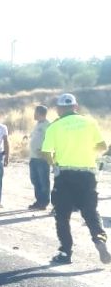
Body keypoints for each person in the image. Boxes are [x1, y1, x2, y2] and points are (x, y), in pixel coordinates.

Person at [41, 93, 109, 265]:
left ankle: (65, 252)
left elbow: (45, 152)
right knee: (90, 211)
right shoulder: (89, 122)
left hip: (65, 175)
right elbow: (103, 146)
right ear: (75, 107)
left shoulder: (54, 127)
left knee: (62, 215)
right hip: (87, 174)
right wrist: (88, 153)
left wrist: (54, 164)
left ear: (58, 109)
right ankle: (99, 239)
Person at [28, 105, 51, 210]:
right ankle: (38, 201)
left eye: (35, 112)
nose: (34, 114)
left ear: (40, 113)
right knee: (35, 180)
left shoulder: (48, 125)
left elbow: (51, 140)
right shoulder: (37, 124)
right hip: (33, 158)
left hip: (42, 159)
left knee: (43, 181)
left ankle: (44, 202)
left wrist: (44, 151)